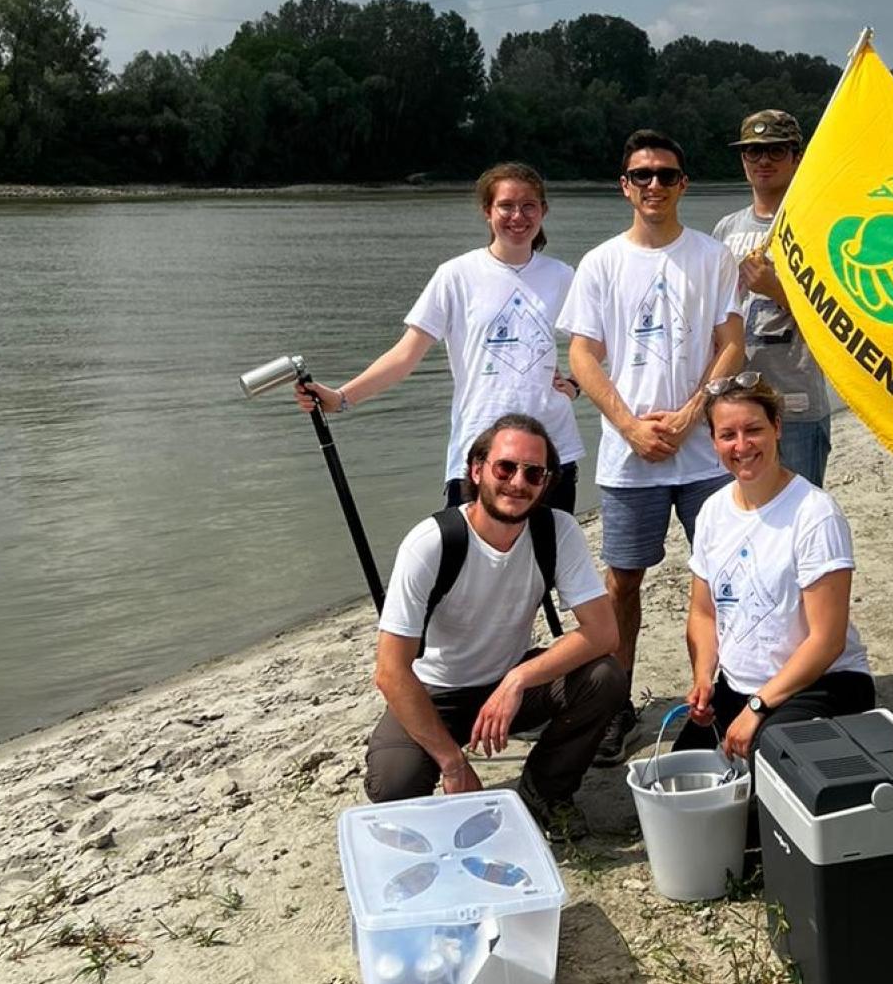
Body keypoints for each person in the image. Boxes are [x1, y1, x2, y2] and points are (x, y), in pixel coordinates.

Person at [558, 129, 746, 767]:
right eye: (643, 176)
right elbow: (582, 355)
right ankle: (613, 706)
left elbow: (731, 343)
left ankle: (722, 695)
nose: (655, 186)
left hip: (702, 455)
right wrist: (631, 426)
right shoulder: (601, 262)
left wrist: (696, 414)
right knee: (622, 583)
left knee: (724, 577)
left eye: (667, 175)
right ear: (625, 185)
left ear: (684, 184)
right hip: (627, 457)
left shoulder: (711, 257)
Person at [363, 414, 625, 840]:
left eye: (533, 473)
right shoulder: (431, 542)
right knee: (393, 785)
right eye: (505, 467)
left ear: (546, 482)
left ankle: (546, 790)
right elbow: (391, 672)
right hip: (437, 691)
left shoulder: (556, 531)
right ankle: (445, 770)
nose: (517, 482)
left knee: (605, 676)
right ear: (477, 469)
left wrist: (518, 678)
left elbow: (603, 633)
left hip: (508, 682)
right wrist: (454, 763)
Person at [295, 162, 585, 512]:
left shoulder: (562, 275)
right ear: (487, 211)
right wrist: (341, 398)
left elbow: (599, 342)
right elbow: (405, 356)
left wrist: (575, 383)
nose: (517, 216)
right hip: (481, 451)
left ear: (543, 211)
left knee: (547, 565)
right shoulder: (456, 276)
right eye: (506, 206)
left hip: (551, 450)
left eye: (529, 206)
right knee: (469, 564)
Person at [674, 373, 874, 761]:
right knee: (678, 772)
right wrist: (703, 679)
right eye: (727, 435)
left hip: (821, 683)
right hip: (739, 685)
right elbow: (702, 612)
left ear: (777, 428)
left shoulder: (815, 514)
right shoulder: (714, 511)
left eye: (754, 430)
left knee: (769, 762)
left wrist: (759, 707)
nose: (742, 445)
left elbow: (827, 640)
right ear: (713, 441)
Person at [712, 110, 834, 486]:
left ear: (797, 157)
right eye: (752, 152)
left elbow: (835, 320)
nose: (763, 160)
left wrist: (776, 289)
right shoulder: (726, 229)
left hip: (795, 404)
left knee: (798, 516)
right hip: (736, 404)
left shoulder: (818, 227)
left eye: (776, 151)